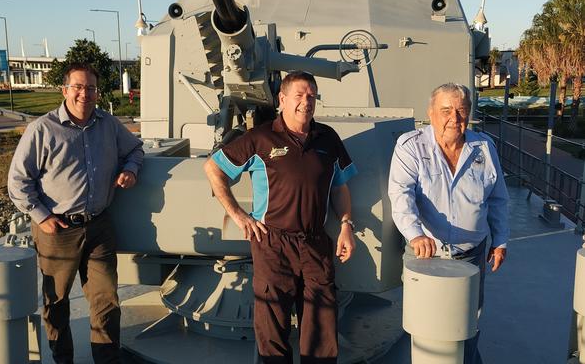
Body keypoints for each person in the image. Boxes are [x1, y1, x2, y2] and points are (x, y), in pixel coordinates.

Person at [204, 70, 358, 364]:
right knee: (272, 330)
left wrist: (346, 225)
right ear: (282, 99)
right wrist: (238, 215)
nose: (306, 102)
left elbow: (340, 187)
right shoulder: (261, 138)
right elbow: (214, 168)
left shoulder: (328, 138)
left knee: (322, 329)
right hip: (272, 243)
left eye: (311, 95)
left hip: (315, 243)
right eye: (299, 95)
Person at [8, 62, 144, 364]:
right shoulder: (42, 130)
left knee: (106, 300)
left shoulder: (108, 124)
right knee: (56, 302)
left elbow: (135, 149)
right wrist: (42, 216)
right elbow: (18, 181)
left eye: (91, 88)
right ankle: (63, 359)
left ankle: (107, 359)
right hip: (57, 231)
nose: (85, 94)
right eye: (78, 87)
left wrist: (131, 171)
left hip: (99, 226)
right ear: (65, 90)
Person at [388, 83, 510, 364]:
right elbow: (400, 194)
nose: (454, 118)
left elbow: (498, 199)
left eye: (461, 110)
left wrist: (500, 241)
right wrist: (415, 235)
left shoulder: (484, 147)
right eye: (446, 111)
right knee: (425, 324)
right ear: (431, 114)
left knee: (468, 322)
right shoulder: (411, 147)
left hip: (472, 254)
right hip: (428, 256)